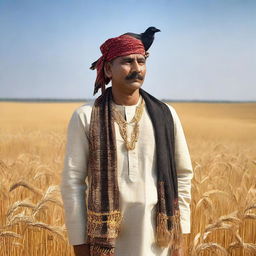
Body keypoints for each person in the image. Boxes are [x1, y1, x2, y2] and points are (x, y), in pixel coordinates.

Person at [61, 31, 193, 256]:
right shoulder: (86, 116)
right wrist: (80, 245)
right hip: (106, 243)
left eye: (141, 61)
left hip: (158, 241)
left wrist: (179, 239)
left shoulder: (166, 115)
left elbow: (182, 175)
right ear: (108, 69)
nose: (137, 68)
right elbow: (73, 183)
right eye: (127, 61)